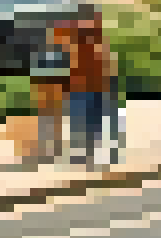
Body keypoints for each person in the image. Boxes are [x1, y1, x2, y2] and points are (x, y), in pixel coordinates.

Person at [66, 12, 117, 168]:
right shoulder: (77, 43)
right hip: (81, 87)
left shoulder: (98, 44)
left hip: (94, 87)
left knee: (93, 122)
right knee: (81, 122)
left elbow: (107, 64)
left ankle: (93, 153)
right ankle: (83, 153)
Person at [28, 22, 75, 164]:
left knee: (52, 120)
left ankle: (52, 150)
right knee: (47, 120)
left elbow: (65, 74)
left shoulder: (60, 52)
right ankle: (48, 150)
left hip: (54, 90)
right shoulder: (45, 53)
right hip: (47, 89)